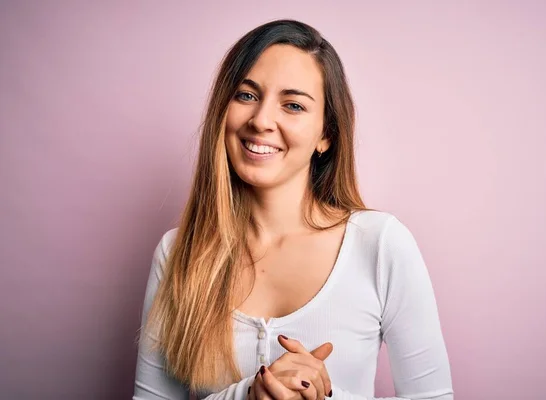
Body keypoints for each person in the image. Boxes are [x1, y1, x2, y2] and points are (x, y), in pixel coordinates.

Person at [133, 19, 453, 400]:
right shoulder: (177, 255)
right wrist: (247, 396)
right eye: (247, 95)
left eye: (293, 105)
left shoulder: (381, 245)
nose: (262, 120)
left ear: (326, 135)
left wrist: (324, 397)